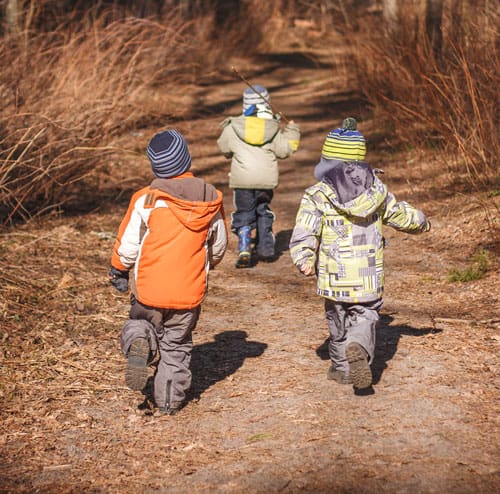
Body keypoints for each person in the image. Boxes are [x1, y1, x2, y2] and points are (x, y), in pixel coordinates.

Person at [289, 118, 430, 390]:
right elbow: (400, 214)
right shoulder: (377, 192)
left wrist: (303, 256)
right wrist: (421, 221)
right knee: (365, 315)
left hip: (333, 276)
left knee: (337, 317)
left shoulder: (316, 194)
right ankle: (359, 347)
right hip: (367, 277)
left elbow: (305, 228)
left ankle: (341, 367)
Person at [108, 129, 228, 415]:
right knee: (176, 347)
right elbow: (219, 245)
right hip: (188, 293)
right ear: (186, 159)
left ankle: (141, 341)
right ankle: (169, 401)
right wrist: (208, 261)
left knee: (140, 322)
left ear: (156, 167)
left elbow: (129, 243)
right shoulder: (210, 199)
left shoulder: (146, 199)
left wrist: (119, 268)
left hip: (150, 289)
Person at [217, 83, 300, 268]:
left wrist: (231, 153)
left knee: (244, 212)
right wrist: (293, 131)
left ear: (246, 105)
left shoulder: (234, 127)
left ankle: (245, 245)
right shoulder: (273, 128)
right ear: (266, 105)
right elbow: (285, 150)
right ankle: (266, 248)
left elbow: (224, 147)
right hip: (265, 181)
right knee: (262, 210)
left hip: (242, 181)